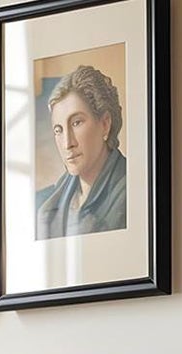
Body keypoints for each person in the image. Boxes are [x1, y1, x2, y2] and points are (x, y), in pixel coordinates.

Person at [35, 65, 127, 239]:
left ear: (105, 124)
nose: (68, 143)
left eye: (77, 122)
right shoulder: (46, 204)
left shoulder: (132, 191)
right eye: (58, 130)